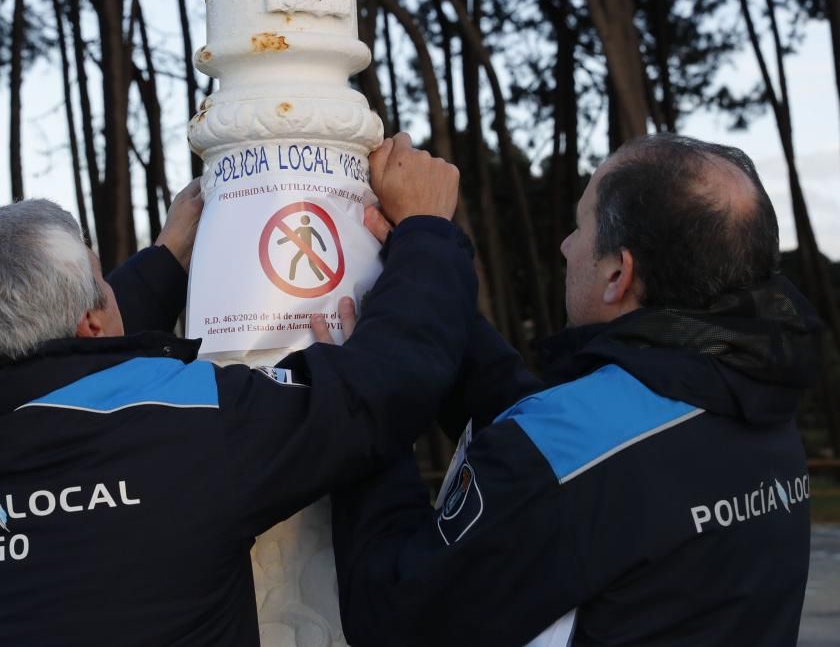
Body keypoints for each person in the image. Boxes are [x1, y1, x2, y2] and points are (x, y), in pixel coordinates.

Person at [0, 134, 476, 646]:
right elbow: (380, 387)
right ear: (93, 322)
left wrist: (166, 257)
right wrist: (425, 230)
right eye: (101, 286)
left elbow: (48, 355)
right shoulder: (180, 430)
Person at [331, 134, 822, 646]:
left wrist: (367, 401)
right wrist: (428, 263)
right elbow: (553, 439)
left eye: (580, 225)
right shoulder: (757, 394)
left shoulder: (574, 453)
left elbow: (390, 613)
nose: (566, 245)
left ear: (617, 274)